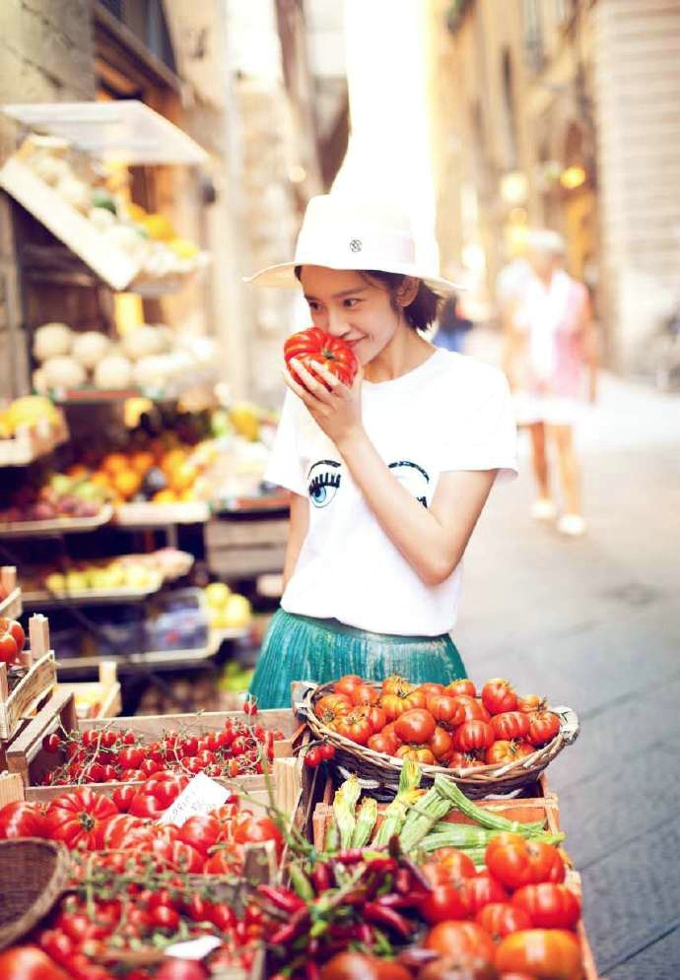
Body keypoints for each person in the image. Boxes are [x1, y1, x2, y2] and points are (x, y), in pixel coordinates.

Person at [245, 195, 518, 709]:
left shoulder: (472, 390)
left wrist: (349, 433)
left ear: (405, 289)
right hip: (297, 647)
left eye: (352, 302)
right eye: (315, 305)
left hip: (405, 671)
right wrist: (279, 656)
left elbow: (437, 557)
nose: (332, 326)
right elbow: (301, 540)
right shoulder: (311, 382)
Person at [502, 229, 598, 537]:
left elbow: (587, 336)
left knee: (564, 443)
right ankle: (544, 495)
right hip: (529, 382)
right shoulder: (522, 292)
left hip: (563, 381)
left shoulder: (575, 292)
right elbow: (512, 339)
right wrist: (508, 377)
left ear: (554, 259)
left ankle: (573, 509)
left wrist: (593, 379)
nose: (531, 261)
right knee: (538, 444)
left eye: (537, 255)